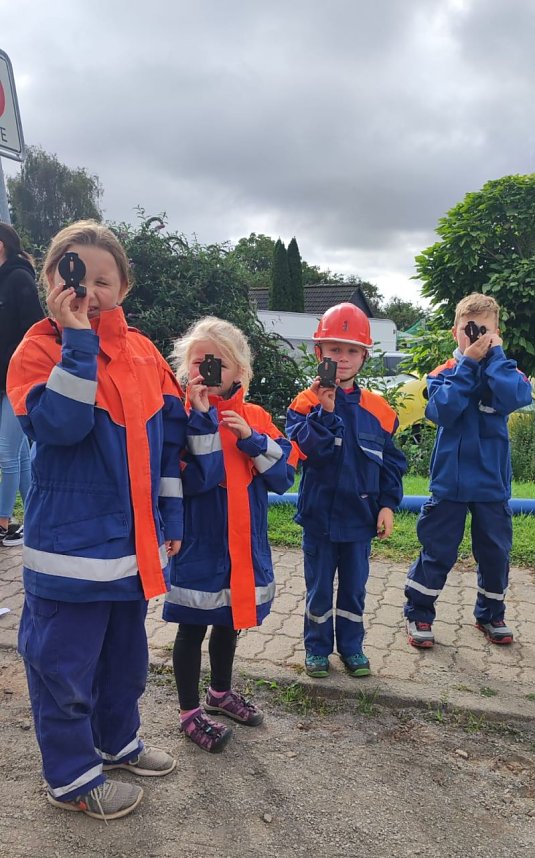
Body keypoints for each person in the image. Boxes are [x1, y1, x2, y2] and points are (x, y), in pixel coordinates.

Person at [7, 220, 187, 820]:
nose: (88, 289)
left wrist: (172, 516)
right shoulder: (37, 350)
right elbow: (61, 426)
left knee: (123, 662)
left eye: (103, 279)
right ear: (50, 283)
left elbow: (169, 445)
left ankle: (117, 742)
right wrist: (78, 341)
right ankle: (73, 777)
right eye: (72, 273)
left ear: (124, 288)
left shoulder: (144, 353)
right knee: (63, 667)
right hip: (69, 554)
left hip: (131, 551)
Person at [163, 316, 297, 753]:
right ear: (187, 370)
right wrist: (203, 421)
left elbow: (283, 478)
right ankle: (188, 712)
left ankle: (219, 693)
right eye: (199, 363)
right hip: (198, 545)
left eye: (217, 363)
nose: (208, 371)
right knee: (191, 626)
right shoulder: (179, 417)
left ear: (240, 370)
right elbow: (198, 480)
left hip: (242, 546)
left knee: (228, 621)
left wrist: (252, 440)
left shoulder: (256, 416)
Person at [404, 293, 533, 649]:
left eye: (484, 330)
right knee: (438, 550)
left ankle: (491, 613)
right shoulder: (443, 374)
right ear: (454, 332)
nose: (475, 337)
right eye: (468, 330)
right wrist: (469, 365)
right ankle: (420, 612)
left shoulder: (505, 370)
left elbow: (519, 396)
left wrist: (494, 357)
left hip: (491, 485)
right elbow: (442, 411)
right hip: (450, 483)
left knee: (495, 552)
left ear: (497, 333)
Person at [286, 303, 407, 679]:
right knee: (319, 588)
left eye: (352, 350)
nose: (342, 358)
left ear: (365, 356)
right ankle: (317, 648)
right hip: (319, 518)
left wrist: (388, 505)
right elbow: (307, 451)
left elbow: (391, 463)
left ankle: (352, 647)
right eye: (334, 349)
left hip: (361, 519)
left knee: (354, 590)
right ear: (319, 353)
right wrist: (323, 411)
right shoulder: (303, 404)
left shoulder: (380, 410)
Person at [0, 223, 44, 547]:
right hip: (1, 381)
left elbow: (36, 329)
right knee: (20, 454)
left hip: (18, 381)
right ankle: (36, 519)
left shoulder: (19, 278)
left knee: (5, 452)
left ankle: (4, 523)